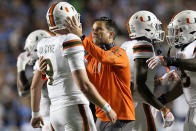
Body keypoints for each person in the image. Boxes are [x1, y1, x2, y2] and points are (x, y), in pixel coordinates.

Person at [30, 2, 117, 131]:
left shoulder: (43, 44)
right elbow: (83, 85)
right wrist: (106, 108)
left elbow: (35, 86)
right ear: (67, 20)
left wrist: (35, 114)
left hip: (55, 112)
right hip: (74, 107)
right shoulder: (70, 40)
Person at [65, 16, 135, 131]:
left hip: (121, 117)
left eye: (99, 29)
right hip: (101, 117)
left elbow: (104, 57)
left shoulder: (120, 53)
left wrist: (82, 37)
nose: (94, 32)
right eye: (93, 30)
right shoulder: (90, 59)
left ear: (111, 35)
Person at [120, 11, 175, 131]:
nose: (157, 29)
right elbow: (139, 85)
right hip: (140, 105)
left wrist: (160, 81)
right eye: (154, 26)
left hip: (124, 105)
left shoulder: (126, 45)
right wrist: (163, 109)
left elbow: (134, 80)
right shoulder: (144, 46)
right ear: (146, 27)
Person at [146, 10, 196, 131]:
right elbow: (184, 82)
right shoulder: (183, 50)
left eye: (177, 30)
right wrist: (162, 99)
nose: (174, 34)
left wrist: (170, 61)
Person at [17, 30, 55, 131]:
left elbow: (24, 91)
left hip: (50, 119)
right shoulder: (56, 58)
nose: (28, 54)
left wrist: (20, 65)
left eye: (30, 49)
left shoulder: (42, 63)